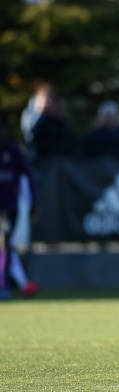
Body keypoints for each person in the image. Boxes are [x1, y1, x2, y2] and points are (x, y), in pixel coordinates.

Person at [0, 113, 38, 299]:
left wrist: (33, 203)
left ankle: (4, 285)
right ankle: (19, 283)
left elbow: (30, 176)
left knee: (5, 244)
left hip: (8, 207)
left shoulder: (13, 151)